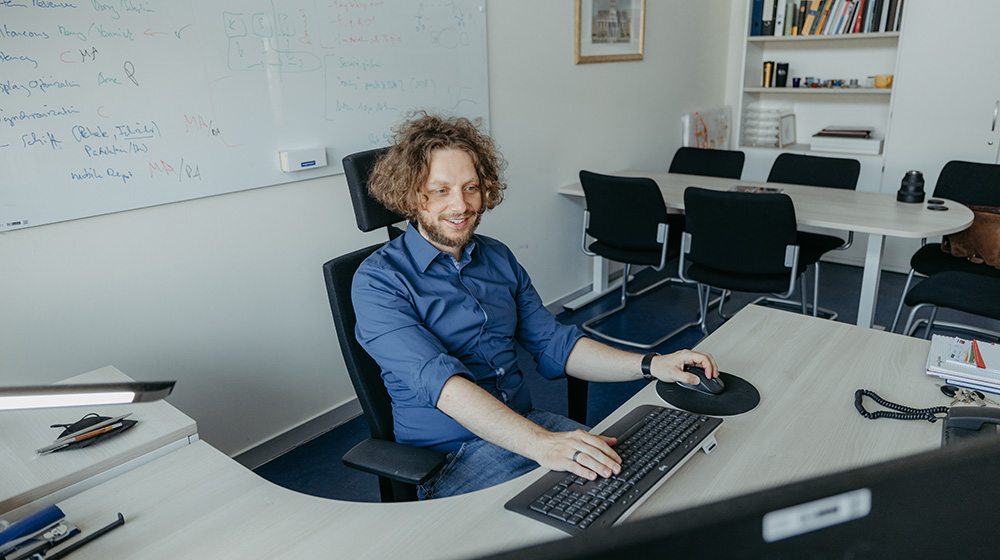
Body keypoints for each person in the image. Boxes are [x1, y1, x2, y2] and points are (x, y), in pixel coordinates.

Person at [352, 111, 719, 500]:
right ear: (410, 195)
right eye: (440, 190)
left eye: (470, 187)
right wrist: (543, 444)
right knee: (584, 510)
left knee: (638, 484)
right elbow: (443, 385)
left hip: (526, 424)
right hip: (453, 456)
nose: (460, 205)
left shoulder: (497, 257)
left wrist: (651, 365)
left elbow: (554, 342)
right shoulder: (378, 281)